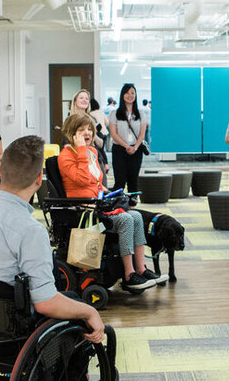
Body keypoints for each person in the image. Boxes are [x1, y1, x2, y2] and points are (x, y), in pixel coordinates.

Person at [0, 135, 105, 348]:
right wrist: (91, 311)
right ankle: (77, 379)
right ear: (38, 178)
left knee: (66, 295)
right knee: (76, 304)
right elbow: (45, 302)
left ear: (0, 170)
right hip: (11, 335)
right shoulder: (30, 231)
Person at [58, 113, 162, 292]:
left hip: (98, 205)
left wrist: (110, 193)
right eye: (81, 130)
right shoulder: (66, 155)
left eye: (89, 129)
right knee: (126, 220)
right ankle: (129, 275)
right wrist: (82, 150)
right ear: (72, 133)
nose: (87, 133)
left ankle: (141, 269)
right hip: (84, 212)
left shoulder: (92, 152)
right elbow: (82, 180)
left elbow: (96, 182)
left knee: (136, 216)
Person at [109, 83, 148, 192]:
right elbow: (113, 134)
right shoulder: (115, 113)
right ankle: (118, 206)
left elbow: (142, 134)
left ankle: (132, 205)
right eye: (127, 93)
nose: (130, 95)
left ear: (135, 95)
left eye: (132, 93)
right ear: (122, 95)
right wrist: (126, 146)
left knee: (133, 180)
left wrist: (135, 147)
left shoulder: (141, 113)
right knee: (120, 181)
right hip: (119, 149)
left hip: (136, 150)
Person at [66, 89, 110, 183]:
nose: (84, 100)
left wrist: (91, 135)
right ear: (75, 101)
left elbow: (101, 143)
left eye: (86, 98)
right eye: (81, 98)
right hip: (78, 159)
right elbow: (66, 144)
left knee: (102, 187)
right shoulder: (70, 120)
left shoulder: (93, 119)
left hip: (95, 158)